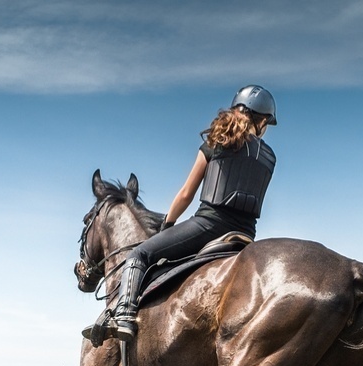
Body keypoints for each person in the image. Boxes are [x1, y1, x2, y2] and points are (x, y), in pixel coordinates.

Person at [84, 85, 278, 346]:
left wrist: (168, 223)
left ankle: (123, 316)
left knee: (139, 255)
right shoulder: (269, 157)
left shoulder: (218, 141)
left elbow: (186, 193)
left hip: (209, 225)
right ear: (263, 120)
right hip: (246, 235)